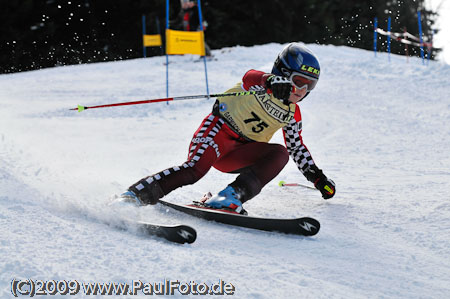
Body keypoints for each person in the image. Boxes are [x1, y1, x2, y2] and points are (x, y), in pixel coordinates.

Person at [121, 42, 336, 214]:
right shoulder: (260, 84)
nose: (302, 90)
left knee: (280, 154)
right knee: (194, 170)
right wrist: (270, 81)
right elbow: (249, 76)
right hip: (218, 133)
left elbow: (296, 148)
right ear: (284, 73)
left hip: (240, 153)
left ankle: (230, 196)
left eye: (310, 85)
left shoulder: (292, 114)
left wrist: (317, 178)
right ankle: (134, 195)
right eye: (299, 81)